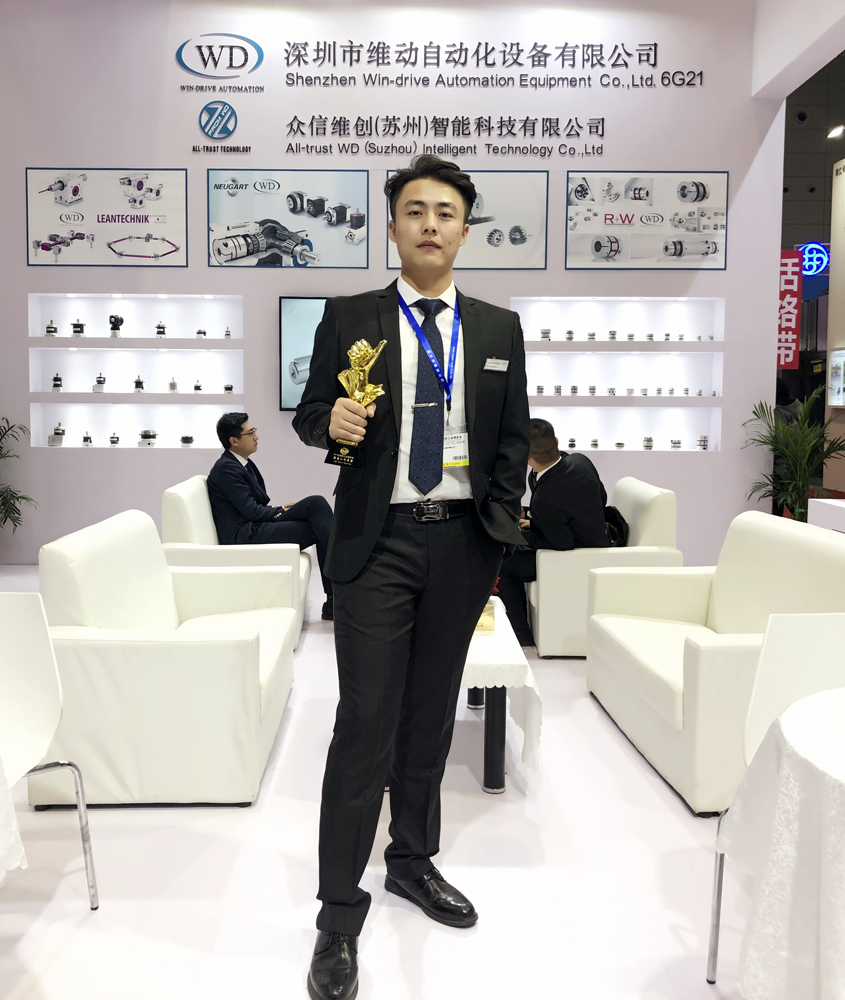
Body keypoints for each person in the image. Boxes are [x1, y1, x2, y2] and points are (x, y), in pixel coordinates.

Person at [293, 155, 529, 1000]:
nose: (431, 223)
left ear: (465, 229)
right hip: (378, 541)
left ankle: (412, 861)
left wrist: (497, 528)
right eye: (415, 210)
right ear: (392, 226)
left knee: (430, 718)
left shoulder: (498, 329)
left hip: (462, 543)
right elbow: (310, 413)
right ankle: (337, 915)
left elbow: (512, 439)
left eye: (446, 212)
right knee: (365, 723)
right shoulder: (351, 315)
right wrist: (331, 420)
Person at [206, 412, 335, 620]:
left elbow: (254, 507)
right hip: (245, 535)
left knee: (317, 514)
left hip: (254, 526)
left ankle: (334, 599)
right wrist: (281, 510)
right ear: (234, 441)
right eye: (250, 433)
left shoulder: (241, 463)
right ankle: (337, 596)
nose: (256, 437)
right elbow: (252, 511)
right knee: (316, 507)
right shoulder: (226, 468)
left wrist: (280, 508)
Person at [496, 418, 609, 645]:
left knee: (504, 561)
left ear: (525, 457)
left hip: (576, 558)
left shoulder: (546, 498)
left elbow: (561, 543)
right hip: (597, 537)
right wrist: (535, 522)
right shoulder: (580, 461)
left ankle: (520, 635)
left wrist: (521, 534)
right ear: (556, 441)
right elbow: (601, 499)